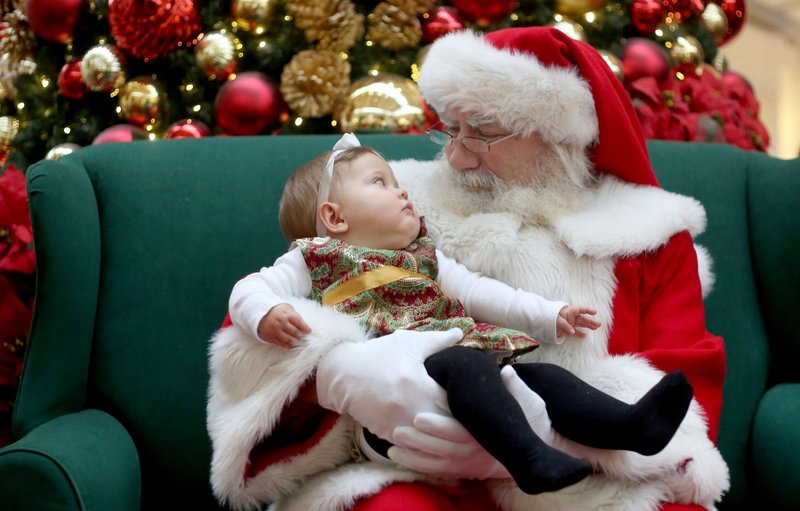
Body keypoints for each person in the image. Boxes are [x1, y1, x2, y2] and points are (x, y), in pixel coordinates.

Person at [207, 26, 729, 511]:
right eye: (450, 129)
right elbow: (257, 325)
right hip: (408, 465)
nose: (455, 158)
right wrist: (340, 374)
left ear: (560, 138)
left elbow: (683, 391)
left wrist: (530, 440)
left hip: (584, 478)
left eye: (482, 133)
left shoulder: (647, 239)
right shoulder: (397, 210)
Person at [226, 133, 696, 496]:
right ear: (334, 217)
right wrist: (267, 312)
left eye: (395, 180)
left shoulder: (425, 255)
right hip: (403, 383)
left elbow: (480, 292)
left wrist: (550, 315)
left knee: (545, 377)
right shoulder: (314, 258)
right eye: (380, 183)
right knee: (468, 362)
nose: (401, 191)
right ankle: (529, 458)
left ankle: (628, 426)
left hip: (464, 365)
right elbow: (251, 288)